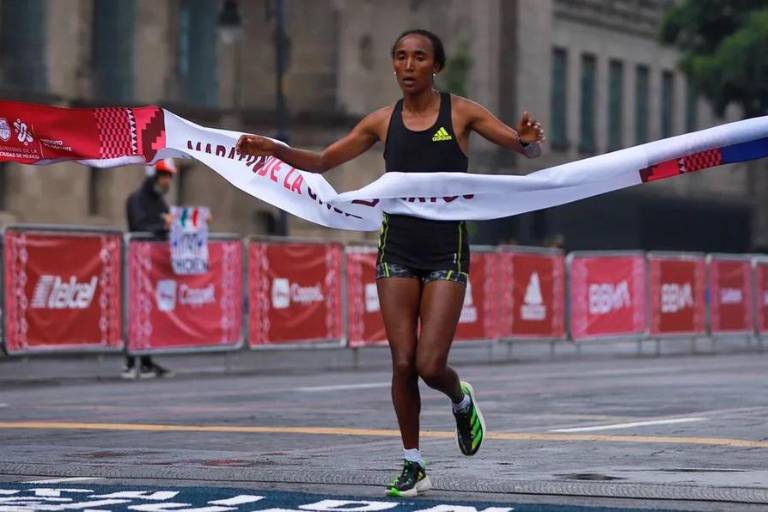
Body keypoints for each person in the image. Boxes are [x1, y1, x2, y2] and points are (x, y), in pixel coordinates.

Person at [236, 29, 545, 497]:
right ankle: (413, 463)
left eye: (419, 58)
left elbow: (523, 147)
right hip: (397, 249)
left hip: (446, 250)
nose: (408, 65)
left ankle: (461, 400)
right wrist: (276, 150)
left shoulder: (460, 112)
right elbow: (321, 161)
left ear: (434, 66)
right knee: (402, 363)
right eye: (400, 57)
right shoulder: (382, 121)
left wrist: (528, 142)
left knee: (430, 364)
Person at [122, 158, 176, 379]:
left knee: (149, 313)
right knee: (135, 311)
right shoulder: (136, 199)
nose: (167, 182)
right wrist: (163, 226)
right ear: (154, 176)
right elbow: (139, 226)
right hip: (138, 264)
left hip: (154, 266)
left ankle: (146, 360)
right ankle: (131, 361)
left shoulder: (160, 201)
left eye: (169, 178)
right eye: (164, 177)